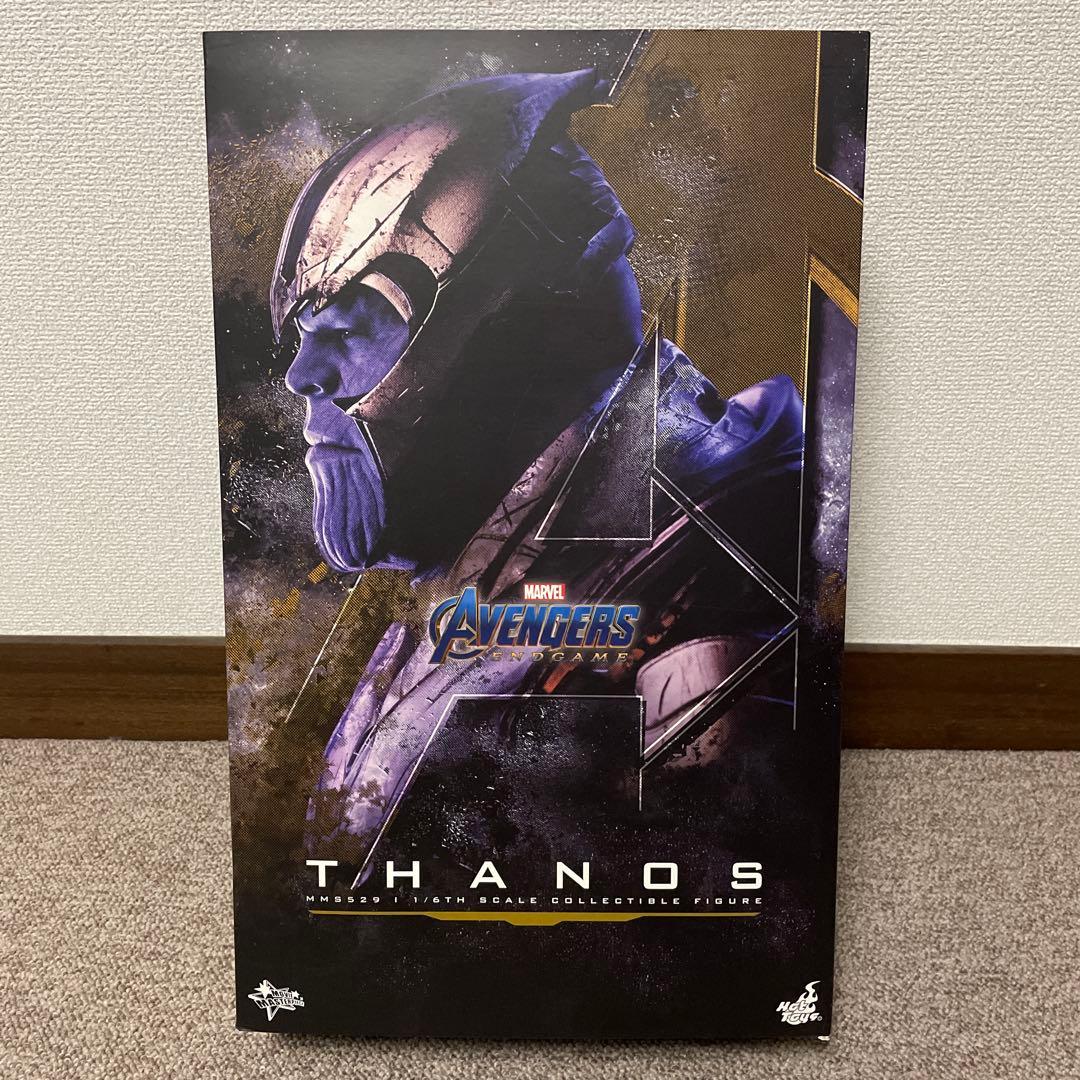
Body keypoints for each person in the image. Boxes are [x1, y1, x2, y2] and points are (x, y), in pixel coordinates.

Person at [273, 70, 804, 877]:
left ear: (516, 316)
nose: (302, 376)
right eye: (307, 336)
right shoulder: (496, 582)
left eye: (353, 326)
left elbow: (699, 909)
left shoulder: (708, 565)